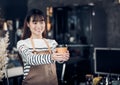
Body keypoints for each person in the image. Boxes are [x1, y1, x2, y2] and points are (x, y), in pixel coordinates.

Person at [16, 9, 70, 85]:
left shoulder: (52, 43)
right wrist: (52, 57)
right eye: (35, 23)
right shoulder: (22, 44)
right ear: (28, 24)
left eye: (41, 22)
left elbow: (58, 60)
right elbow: (31, 59)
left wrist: (63, 57)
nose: (39, 26)